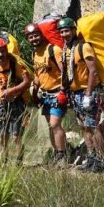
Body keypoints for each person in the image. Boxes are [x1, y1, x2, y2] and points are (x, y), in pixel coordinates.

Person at [57, 17, 104, 173]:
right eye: (62, 31)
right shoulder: (66, 50)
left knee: (93, 125)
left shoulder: (83, 47)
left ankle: (100, 159)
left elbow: (93, 71)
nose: (64, 34)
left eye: (67, 30)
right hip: (75, 94)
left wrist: (88, 94)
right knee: (83, 126)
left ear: (73, 30)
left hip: (89, 92)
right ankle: (91, 158)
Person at [26, 23, 67, 166]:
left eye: (36, 35)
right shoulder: (34, 54)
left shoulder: (53, 50)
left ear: (41, 35)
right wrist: (35, 92)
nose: (34, 38)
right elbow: (39, 74)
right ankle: (57, 152)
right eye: (30, 37)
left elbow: (65, 72)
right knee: (51, 126)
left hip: (57, 92)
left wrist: (63, 91)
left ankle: (62, 155)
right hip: (45, 95)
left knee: (55, 124)